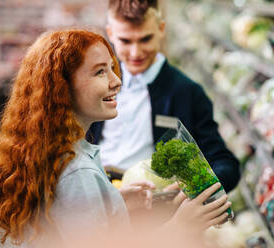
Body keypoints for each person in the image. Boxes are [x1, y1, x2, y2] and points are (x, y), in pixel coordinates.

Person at [0, 29, 231, 247]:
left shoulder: (53, 149)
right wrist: (180, 227)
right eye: (100, 72)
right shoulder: (78, 172)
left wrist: (114, 202)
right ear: (62, 88)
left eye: (112, 68)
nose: (117, 81)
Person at [88, 0, 241, 193]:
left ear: (161, 29)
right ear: (111, 34)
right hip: (97, 196)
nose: (136, 52)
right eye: (125, 41)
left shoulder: (187, 92)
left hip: (152, 207)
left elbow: (224, 163)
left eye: (145, 39)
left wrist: (191, 190)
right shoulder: (95, 82)